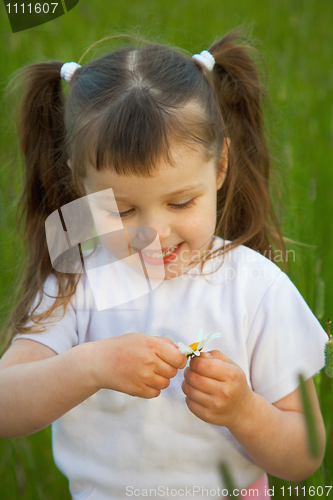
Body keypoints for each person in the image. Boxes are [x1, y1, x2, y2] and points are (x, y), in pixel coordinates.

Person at [0, 30, 328, 500]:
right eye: (123, 210)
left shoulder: (256, 287)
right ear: (80, 187)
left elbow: (304, 455)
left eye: (181, 202)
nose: (154, 233)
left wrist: (243, 410)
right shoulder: (75, 284)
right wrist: (90, 366)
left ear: (220, 168)